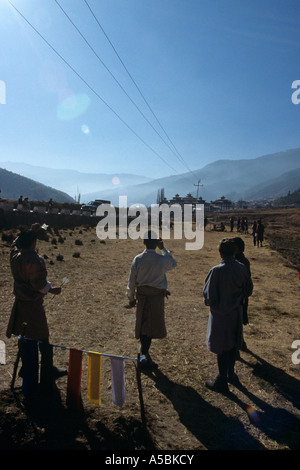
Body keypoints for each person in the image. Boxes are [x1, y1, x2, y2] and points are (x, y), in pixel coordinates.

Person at [6, 229, 66, 393]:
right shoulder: (34, 259)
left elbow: (13, 245)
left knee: (24, 339)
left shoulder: (15, 256)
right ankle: (47, 372)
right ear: (33, 243)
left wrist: (20, 236)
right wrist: (52, 290)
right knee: (43, 338)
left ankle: (27, 370)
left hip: (20, 304)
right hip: (32, 306)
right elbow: (39, 285)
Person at [203, 238, 253, 393]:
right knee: (232, 346)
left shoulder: (216, 271)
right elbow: (249, 290)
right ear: (235, 251)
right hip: (235, 314)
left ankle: (221, 380)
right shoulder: (242, 268)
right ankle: (231, 374)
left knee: (222, 348)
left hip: (220, 315)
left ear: (220, 253)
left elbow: (209, 297)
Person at [126, 231, 177, 370]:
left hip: (142, 298)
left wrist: (131, 298)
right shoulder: (161, 260)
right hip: (156, 299)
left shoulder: (138, 259)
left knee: (143, 325)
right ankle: (144, 355)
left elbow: (132, 280)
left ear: (143, 242)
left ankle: (144, 354)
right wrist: (163, 248)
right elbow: (173, 263)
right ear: (156, 243)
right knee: (150, 328)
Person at [233, 237, 252, 350]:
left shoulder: (241, 262)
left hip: (239, 296)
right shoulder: (241, 260)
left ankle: (240, 343)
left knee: (237, 321)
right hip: (241, 296)